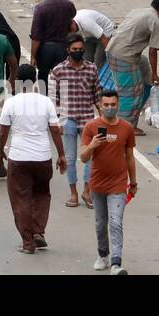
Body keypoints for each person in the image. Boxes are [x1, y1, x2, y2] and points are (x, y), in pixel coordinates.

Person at [0, 64, 64, 254]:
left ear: (18, 81)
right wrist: (62, 155)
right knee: (42, 195)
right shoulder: (46, 102)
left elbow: (3, 132)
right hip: (43, 157)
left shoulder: (11, 102)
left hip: (19, 158)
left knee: (21, 199)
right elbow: (55, 130)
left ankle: (28, 242)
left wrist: (0, 152)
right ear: (35, 80)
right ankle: (38, 232)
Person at [80, 90, 137, 274]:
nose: (110, 108)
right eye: (106, 105)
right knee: (100, 222)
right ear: (100, 105)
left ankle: (116, 263)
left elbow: (130, 157)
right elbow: (83, 157)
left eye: (113, 104)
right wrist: (92, 145)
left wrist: (133, 182)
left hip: (118, 184)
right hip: (97, 184)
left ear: (118, 105)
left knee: (115, 221)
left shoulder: (127, 128)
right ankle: (103, 254)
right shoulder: (91, 127)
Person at [105, 0, 159, 133]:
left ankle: (131, 113)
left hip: (113, 49)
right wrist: (155, 74)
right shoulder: (156, 22)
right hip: (124, 56)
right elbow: (153, 51)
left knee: (142, 77)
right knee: (129, 93)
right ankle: (126, 126)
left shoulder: (139, 11)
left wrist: (150, 75)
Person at [50, 34, 100, 208]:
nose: (78, 52)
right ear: (68, 51)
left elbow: (97, 95)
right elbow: (52, 98)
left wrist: (103, 118)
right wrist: (56, 121)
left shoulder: (92, 69)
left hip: (87, 119)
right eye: (74, 50)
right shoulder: (58, 71)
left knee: (90, 157)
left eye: (80, 50)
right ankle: (73, 193)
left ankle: (87, 191)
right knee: (70, 158)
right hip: (68, 120)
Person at [29, 0, 76, 85]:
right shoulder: (69, 5)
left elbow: (36, 36)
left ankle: (43, 99)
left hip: (45, 49)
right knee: (62, 79)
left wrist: (33, 56)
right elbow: (73, 19)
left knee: (43, 77)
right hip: (63, 48)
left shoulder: (40, 8)